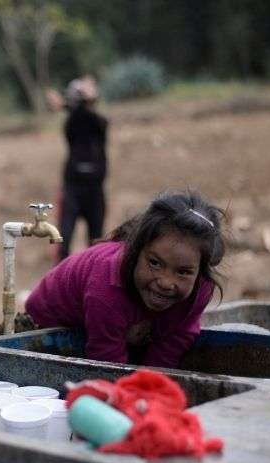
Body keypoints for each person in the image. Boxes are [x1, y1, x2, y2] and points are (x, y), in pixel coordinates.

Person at [25, 190, 225, 369]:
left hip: (109, 325)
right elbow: (107, 365)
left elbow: (177, 338)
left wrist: (151, 383)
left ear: (200, 271)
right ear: (136, 251)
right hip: (49, 324)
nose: (165, 282)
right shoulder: (107, 287)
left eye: (182, 272)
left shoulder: (201, 286)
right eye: (155, 263)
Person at [57, 75, 109, 261]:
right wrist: (83, 98)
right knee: (62, 240)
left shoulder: (99, 123)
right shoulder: (72, 123)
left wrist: (71, 102)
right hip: (73, 189)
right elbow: (78, 115)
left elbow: (91, 117)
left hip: (95, 189)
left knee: (96, 244)